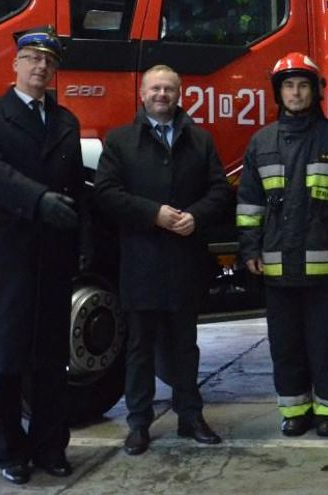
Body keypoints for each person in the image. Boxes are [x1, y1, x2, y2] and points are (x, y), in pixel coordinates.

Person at [0, 26, 82, 485]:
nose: (40, 67)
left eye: (49, 61)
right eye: (31, 58)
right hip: (7, 255)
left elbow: (74, 186)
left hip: (52, 253)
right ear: (14, 65)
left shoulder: (66, 120)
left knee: (52, 359)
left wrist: (81, 241)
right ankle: (11, 453)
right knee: (6, 358)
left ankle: (51, 447)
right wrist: (38, 200)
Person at [95, 65, 231, 455]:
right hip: (141, 263)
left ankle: (191, 417)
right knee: (139, 348)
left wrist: (198, 216)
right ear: (141, 94)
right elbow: (105, 192)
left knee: (185, 346)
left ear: (179, 94)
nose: (162, 95)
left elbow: (220, 189)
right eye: (155, 88)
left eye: (169, 89)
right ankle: (138, 424)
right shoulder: (120, 141)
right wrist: (152, 213)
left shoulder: (200, 141)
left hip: (185, 262)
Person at [236, 52, 328, 437]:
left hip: (326, 268)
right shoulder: (261, 142)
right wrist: (249, 250)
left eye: (303, 85)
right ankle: (295, 411)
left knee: (327, 343)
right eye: (289, 85)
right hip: (278, 270)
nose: (296, 92)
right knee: (286, 345)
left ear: (315, 91)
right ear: (279, 93)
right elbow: (249, 204)